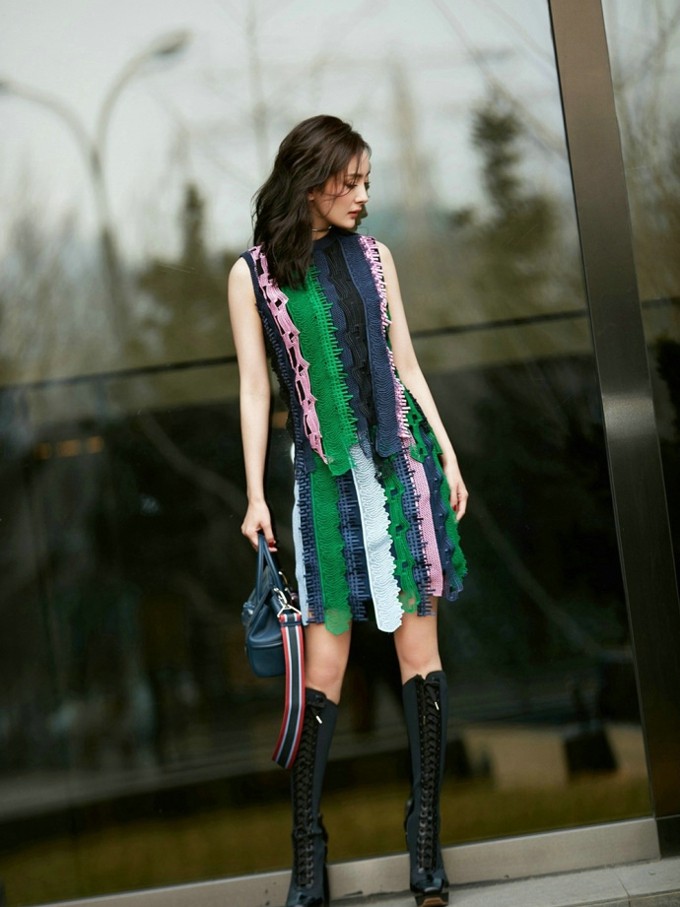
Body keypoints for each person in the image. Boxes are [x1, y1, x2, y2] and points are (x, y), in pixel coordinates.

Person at [228, 115, 468, 907]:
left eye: (368, 181)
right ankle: (308, 851)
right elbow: (255, 389)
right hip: (324, 485)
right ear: (311, 180)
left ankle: (425, 841)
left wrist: (447, 452)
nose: (363, 195)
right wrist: (255, 494)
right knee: (324, 667)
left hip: (402, 473)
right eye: (351, 181)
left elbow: (407, 365)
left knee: (419, 655)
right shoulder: (253, 275)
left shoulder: (376, 257)